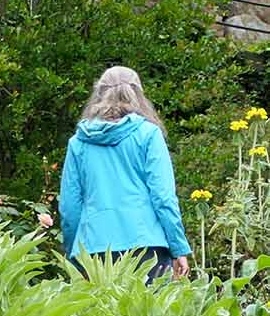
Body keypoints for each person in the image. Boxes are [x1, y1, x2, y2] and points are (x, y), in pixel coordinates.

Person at [58, 66, 191, 281]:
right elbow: (163, 197)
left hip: (94, 249)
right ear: (138, 95)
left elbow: (69, 207)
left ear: (98, 94)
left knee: (98, 313)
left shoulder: (79, 143)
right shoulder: (149, 135)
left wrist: (74, 252)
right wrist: (178, 248)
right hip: (146, 247)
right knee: (147, 313)